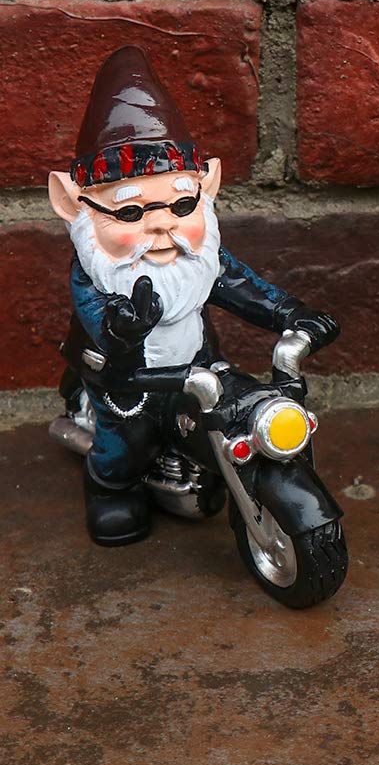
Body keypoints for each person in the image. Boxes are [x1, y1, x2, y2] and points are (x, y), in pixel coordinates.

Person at [48, 45, 339, 546]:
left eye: (182, 204)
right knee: (127, 442)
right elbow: (100, 324)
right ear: (74, 207)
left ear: (209, 188)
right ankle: (110, 489)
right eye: (131, 212)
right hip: (129, 384)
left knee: (238, 409)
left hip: (199, 368)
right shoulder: (97, 278)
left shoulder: (198, 261)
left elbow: (243, 287)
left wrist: (293, 314)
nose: (161, 224)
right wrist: (122, 330)